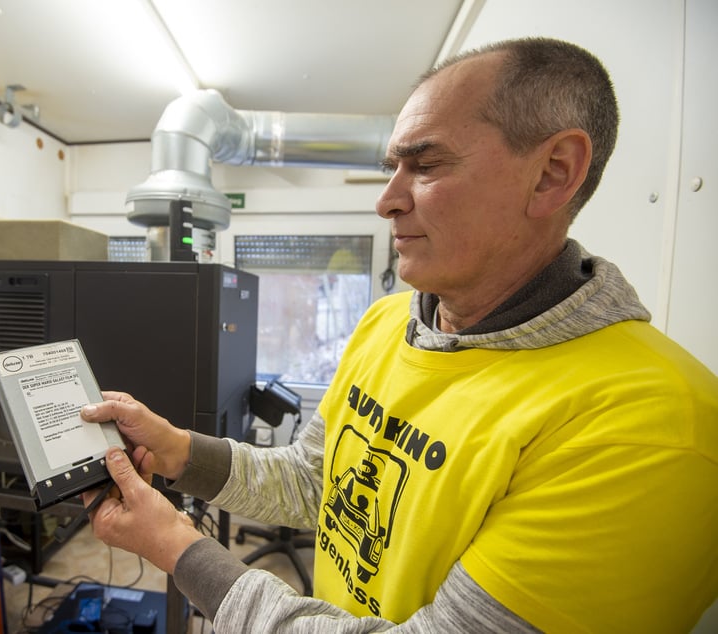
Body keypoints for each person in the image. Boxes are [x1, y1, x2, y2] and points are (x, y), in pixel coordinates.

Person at [81, 37, 718, 632]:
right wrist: (178, 452)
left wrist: (176, 547)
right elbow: (316, 481)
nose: (386, 200)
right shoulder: (389, 321)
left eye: (427, 164)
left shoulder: (651, 426)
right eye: (392, 168)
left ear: (553, 172)